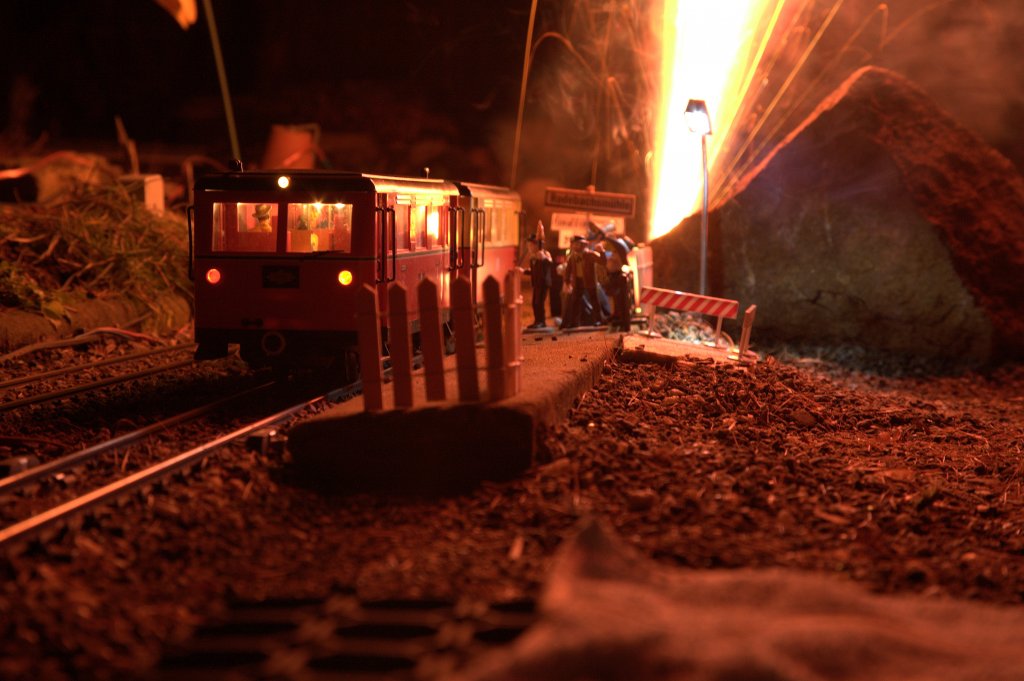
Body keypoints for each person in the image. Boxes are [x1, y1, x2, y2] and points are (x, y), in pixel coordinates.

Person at [525, 221, 553, 328]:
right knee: (534, 303)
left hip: (543, 282)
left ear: (536, 245)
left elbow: (550, 263)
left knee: (539, 303)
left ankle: (542, 322)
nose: (529, 248)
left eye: (531, 245)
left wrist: (544, 258)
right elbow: (534, 270)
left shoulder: (544, 254)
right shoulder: (533, 257)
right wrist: (524, 271)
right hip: (536, 283)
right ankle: (537, 321)